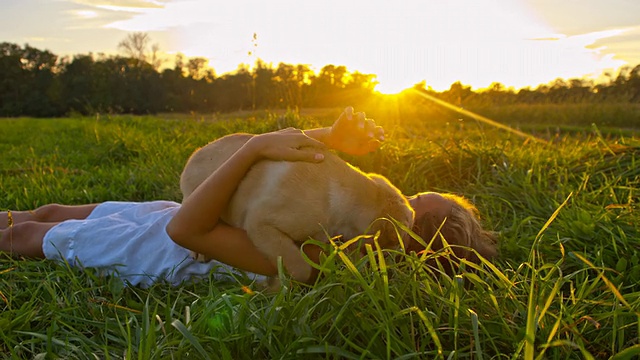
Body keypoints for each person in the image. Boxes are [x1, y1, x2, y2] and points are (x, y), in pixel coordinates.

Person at [0, 107, 496, 288]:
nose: (395, 197)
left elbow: (187, 233)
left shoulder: (314, 257)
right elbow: (297, 166)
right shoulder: (348, 218)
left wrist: (257, 144)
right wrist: (330, 137)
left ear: (400, 245)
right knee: (52, 212)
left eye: (409, 203)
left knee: (28, 234)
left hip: (167, 249)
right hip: (190, 209)